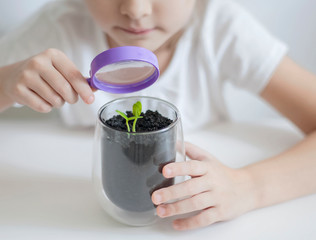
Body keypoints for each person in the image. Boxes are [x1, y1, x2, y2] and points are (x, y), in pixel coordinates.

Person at [0, 0, 316, 231]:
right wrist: (5, 83)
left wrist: (249, 187)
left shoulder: (220, 28)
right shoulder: (60, 26)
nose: (135, 9)